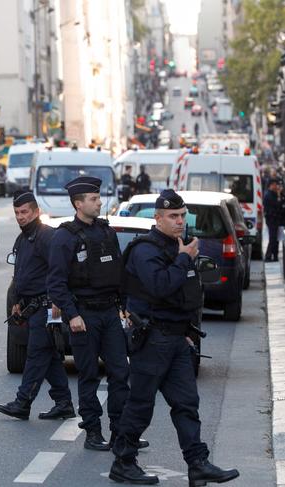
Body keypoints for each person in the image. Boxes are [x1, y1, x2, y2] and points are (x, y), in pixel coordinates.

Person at [108, 189, 239, 485]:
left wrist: (188, 334)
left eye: (182, 216)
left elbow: (187, 296)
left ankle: (197, 463)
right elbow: (160, 286)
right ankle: (123, 462)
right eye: (172, 216)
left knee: (186, 403)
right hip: (152, 339)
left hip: (177, 340)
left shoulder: (178, 247)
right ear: (158, 218)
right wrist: (182, 259)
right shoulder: (146, 250)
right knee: (141, 404)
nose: (180, 221)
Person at [47, 176, 146, 451]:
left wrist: (125, 305)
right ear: (78, 204)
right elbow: (55, 283)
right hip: (84, 316)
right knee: (88, 375)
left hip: (109, 313)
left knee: (120, 371)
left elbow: (119, 272)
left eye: (98, 197)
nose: (99, 202)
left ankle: (120, 432)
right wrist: (72, 314)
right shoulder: (64, 236)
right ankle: (92, 431)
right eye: (93, 199)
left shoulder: (106, 231)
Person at [0, 190, 75, 420]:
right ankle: (64, 402)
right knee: (48, 356)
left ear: (36, 212)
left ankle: (22, 402)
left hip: (48, 306)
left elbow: (60, 271)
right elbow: (22, 273)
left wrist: (57, 300)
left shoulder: (47, 236)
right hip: (31, 306)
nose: (21, 217)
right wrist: (18, 302)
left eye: (25, 212)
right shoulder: (23, 238)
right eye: (17, 213)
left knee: (36, 352)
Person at [264, 179, 282, 262]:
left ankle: (275, 256)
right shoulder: (269, 195)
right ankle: (268, 256)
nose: (276, 186)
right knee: (273, 238)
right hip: (272, 220)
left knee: (276, 238)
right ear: (271, 185)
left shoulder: (272, 194)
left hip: (275, 220)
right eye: (274, 185)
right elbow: (277, 205)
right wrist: (278, 196)